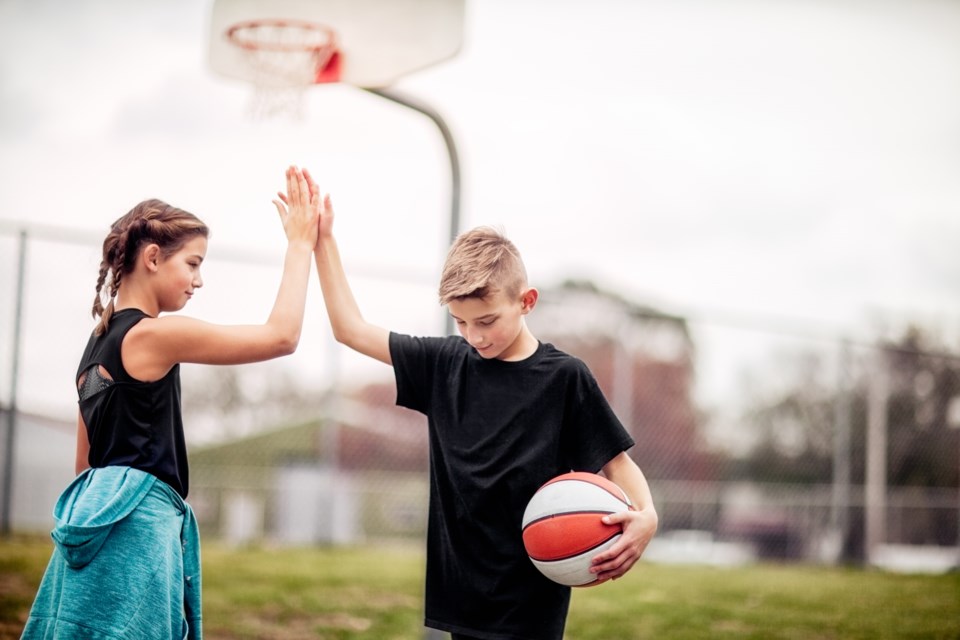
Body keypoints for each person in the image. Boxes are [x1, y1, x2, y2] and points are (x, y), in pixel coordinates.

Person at [307, 170, 659, 640]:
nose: (474, 336)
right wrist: (322, 240)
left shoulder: (563, 377)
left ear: (526, 301)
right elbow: (350, 328)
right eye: (461, 322)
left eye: (487, 320)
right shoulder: (444, 364)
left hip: (533, 598)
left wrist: (647, 516)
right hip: (461, 598)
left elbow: (616, 463)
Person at [20, 166, 320, 640]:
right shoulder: (153, 334)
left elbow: (86, 466)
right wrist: (301, 245)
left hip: (95, 531)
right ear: (154, 258)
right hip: (139, 531)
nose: (198, 280)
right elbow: (281, 337)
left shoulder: (93, 348)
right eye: (194, 263)